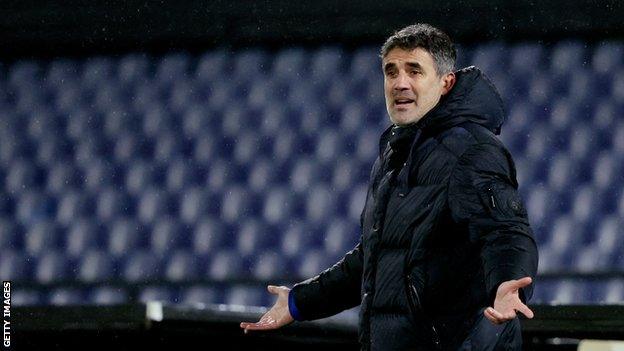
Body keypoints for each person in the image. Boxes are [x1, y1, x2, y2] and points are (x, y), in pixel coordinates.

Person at [240, 23, 538, 350]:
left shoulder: (471, 151)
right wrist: (299, 302)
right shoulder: (394, 157)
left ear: (446, 82)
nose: (400, 83)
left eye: (414, 71)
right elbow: (375, 260)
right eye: (391, 71)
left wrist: (510, 284)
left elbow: (506, 232)